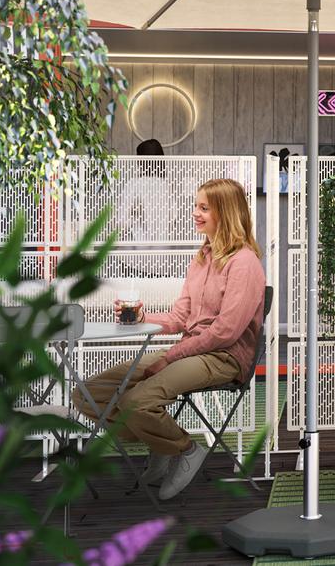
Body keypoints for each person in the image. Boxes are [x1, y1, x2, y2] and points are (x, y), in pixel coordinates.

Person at [77, 178, 267, 500]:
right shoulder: (202, 258)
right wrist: (141, 317)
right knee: (86, 394)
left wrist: (171, 356)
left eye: (204, 208)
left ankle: (187, 449)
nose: (195, 213)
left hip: (223, 357)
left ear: (226, 212)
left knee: (136, 402)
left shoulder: (244, 263)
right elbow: (181, 318)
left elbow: (225, 332)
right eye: (196, 205)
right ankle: (162, 444)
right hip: (190, 350)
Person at [114, 138, 178, 243]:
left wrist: (134, 218)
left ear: (141, 161)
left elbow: (122, 221)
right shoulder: (166, 185)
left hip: (137, 247)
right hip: (161, 249)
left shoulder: (134, 184)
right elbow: (173, 216)